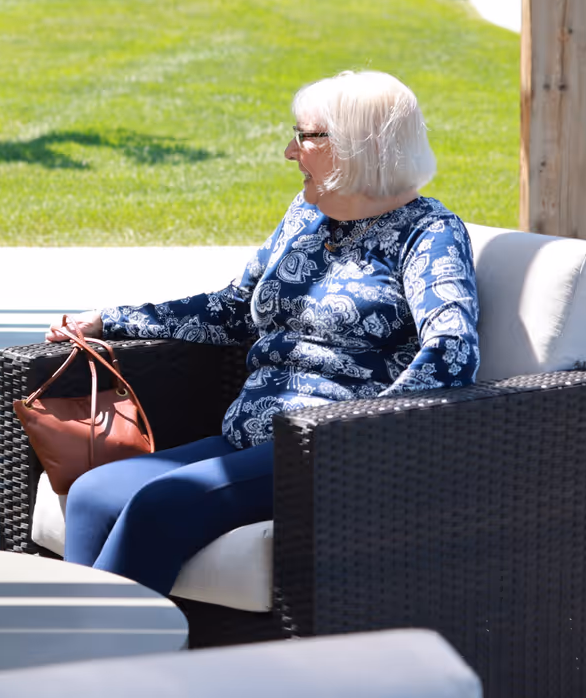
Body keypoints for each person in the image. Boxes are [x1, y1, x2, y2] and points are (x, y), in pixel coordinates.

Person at [45, 70, 479, 596]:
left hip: (326, 448)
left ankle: (94, 663)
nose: (289, 151)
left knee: (162, 503)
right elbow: (233, 309)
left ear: (357, 147)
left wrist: (358, 432)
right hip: (247, 436)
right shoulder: (306, 215)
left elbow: (452, 351)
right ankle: (82, 649)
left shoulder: (428, 233)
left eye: (304, 136)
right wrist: (113, 319)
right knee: (93, 491)